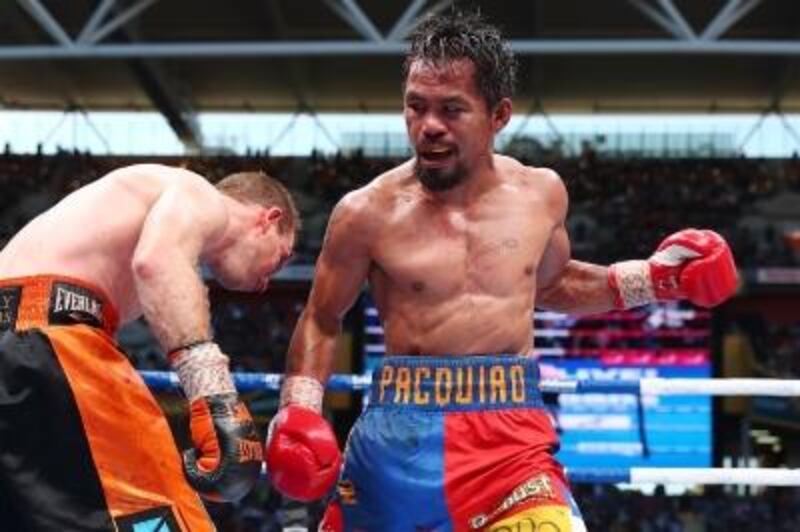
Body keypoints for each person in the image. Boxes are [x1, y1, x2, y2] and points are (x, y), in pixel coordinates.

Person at [265, 11, 738, 532]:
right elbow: (323, 316)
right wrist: (301, 409)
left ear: (499, 115)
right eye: (415, 107)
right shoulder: (365, 213)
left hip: (510, 439)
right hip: (397, 439)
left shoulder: (540, 194)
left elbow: (553, 284)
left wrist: (655, 280)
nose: (429, 126)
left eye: (452, 109)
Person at [0, 164, 298, 531]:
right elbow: (156, 263)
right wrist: (214, 393)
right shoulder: (201, 195)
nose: (266, 282)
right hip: (45, 336)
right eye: (281, 257)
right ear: (268, 219)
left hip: (27, 338)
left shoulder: (127, 221)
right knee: (162, 515)